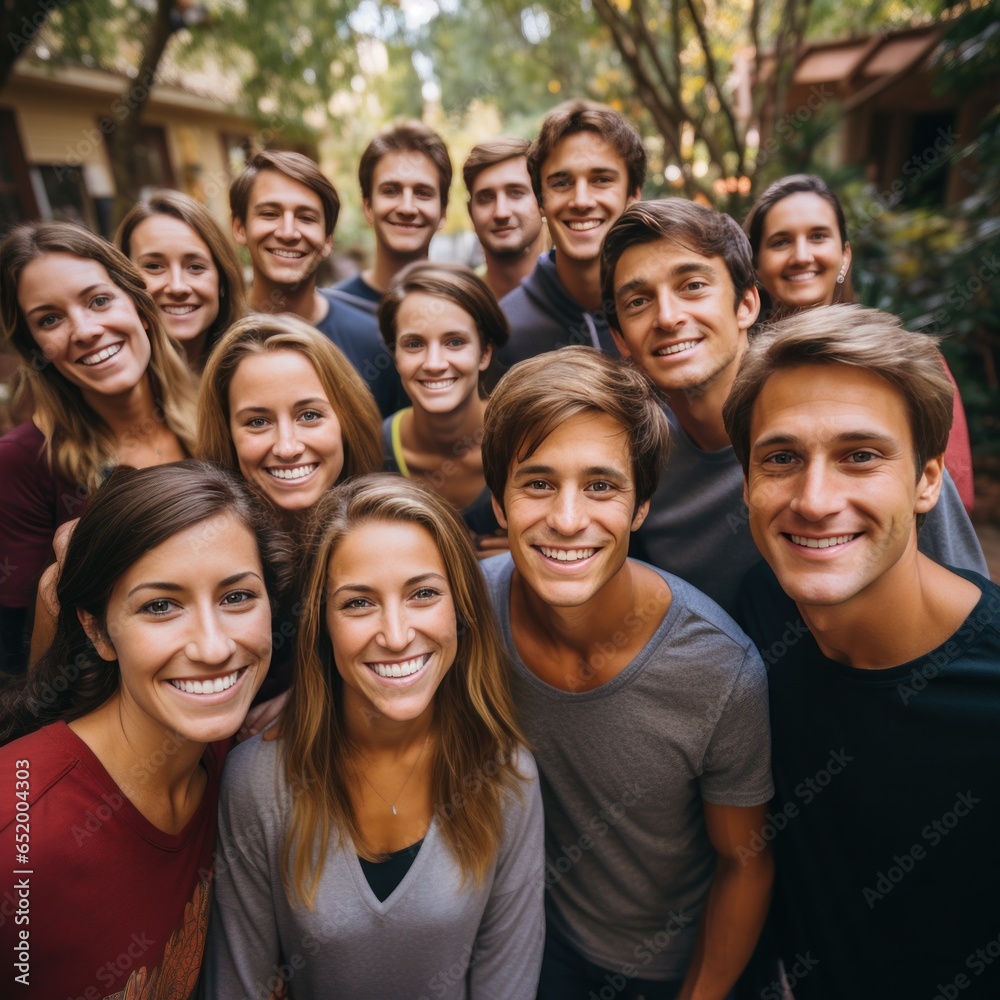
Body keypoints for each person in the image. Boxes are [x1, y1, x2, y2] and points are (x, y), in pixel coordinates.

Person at [722, 305, 1000, 1000]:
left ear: (929, 480)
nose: (815, 501)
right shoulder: (756, 614)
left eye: (861, 456)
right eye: (782, 458)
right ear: (747, 483)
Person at [479, 347, 774, 999]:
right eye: (537, 483)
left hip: (681, 969)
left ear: (641, 507)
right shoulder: (464, 611)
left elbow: (744, 866)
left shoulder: (718, 670)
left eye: (601, 485)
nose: (566, 518)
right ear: (498, 502)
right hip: (541, 949)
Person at [203, 474, 545, 998]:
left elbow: (508, 985)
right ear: (322, 623)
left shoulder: (506, 774)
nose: (396, 635)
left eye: (423, 594)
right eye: (358, 603)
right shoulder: (256, 781)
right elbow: (237, 987)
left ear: (461, 608)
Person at [600, 198, 987, 617]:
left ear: (747, 304)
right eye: (638, 301)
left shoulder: (853, 412)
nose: (668, 317)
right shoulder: (638, 459)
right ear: (621, 339)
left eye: (693, 285)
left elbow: (967, 610)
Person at [0, 461, 289, 998]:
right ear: (97, 630)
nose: (213, 647)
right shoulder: (17, 828)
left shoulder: (229, 760)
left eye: (236, 597)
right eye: (160, 606)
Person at [0, 221, 197, 673]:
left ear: (141, 307)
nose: (85, 330)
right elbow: (21, 660)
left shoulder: (219, 413)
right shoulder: (22, 461)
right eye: (50, 319)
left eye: (99, 300)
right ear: (36, 348)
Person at [743, 173, 974, 510]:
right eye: (780, 242)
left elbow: (956, 497)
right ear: (757, 265)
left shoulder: (905, 361)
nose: (802, 255)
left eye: (818, 236)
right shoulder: (742, 370)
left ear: (844, 256)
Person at [229, 149, 400, 416]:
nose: (287, 233)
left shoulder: (376, 339)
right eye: (270, 214)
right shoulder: (215, 337)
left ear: (328, 239)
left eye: (306, 218)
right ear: (240, 227)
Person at [497, 99, 645, 369]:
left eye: (601, 180)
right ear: (541, 201)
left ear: (633, 195)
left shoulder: (669, 314)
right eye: (562, 183)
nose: (581, 201)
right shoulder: (503, 333)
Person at [378, 261, 510, 555]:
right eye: (414, 344)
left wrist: (530, 552)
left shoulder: (525, 441)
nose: (434, 364)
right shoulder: (372, 453)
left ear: (484, 352)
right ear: (395, 355)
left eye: (454, 342)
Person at [116, 188, 248, 371]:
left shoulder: (255, 367)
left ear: (222, 279)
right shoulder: (113, 387)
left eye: (195, 267)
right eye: (154, 266)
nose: (177, 287)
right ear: (123, 278)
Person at [333, 119, 452, 308]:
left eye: (422, 193)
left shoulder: (463, 311)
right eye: (391, 191)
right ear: (367, 207)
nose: (407, 208)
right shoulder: (333, 310)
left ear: (443, 212)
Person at [462, 138, 547, 301]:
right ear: (470, 212)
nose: (501, 212)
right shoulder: (461, 304)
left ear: (542, 202)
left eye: (516, 193)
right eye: (486, 198)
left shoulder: (582, 293)